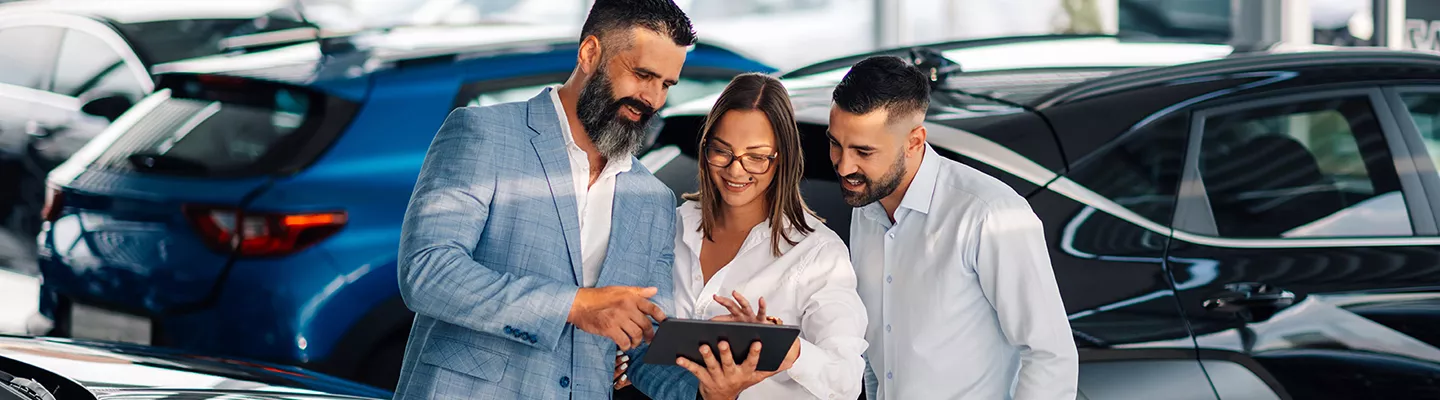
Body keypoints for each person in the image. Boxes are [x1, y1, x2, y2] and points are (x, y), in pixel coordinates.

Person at [391, 1, 702, 398]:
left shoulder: (654, 199)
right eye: (643, 74)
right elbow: (428, 272)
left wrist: (716, 378)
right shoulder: (483, 133)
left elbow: (641, 345)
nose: (653, 99)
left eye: (666, 84)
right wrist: (575, 306)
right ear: (590, 53)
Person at [826, 56, 1079, 399]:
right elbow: (876, 353)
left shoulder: (990, 214)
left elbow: (1051, 356)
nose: (844, 166)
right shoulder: (867, 204)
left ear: (914, 141)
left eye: (863, 151)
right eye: (836, 144)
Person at [613, 73, 868, 400]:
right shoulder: (669, 227)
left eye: (757, 157)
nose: (735, 170)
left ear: (782, 158)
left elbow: (845, 380)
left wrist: (785, 348)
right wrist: (626, 362)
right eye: (722, 151)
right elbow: (635, 335)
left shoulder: (819, 254)